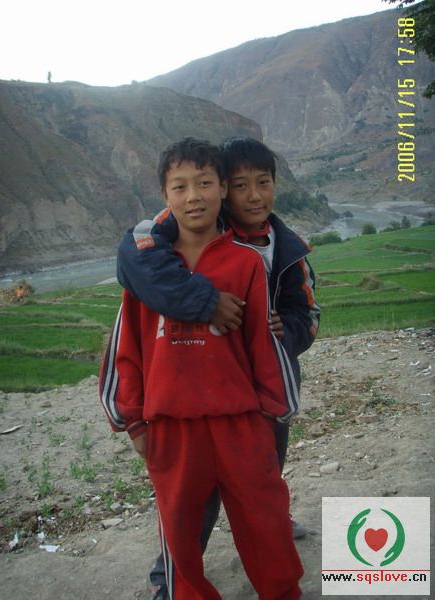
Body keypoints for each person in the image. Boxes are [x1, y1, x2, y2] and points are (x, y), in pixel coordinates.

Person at [116, 137, 320, 599]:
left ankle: (275, 567)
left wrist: (283, 334)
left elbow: (306, 315)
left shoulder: (283, 249)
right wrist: (205, 301)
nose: (253, 196)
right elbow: (134, 269)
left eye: (262, 183)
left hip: (253, 401)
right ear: (228, 189)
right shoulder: (162, 249)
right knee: (187, 510)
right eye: (241, 185)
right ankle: (171, 581)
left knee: (262, 492)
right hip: (178, 412)